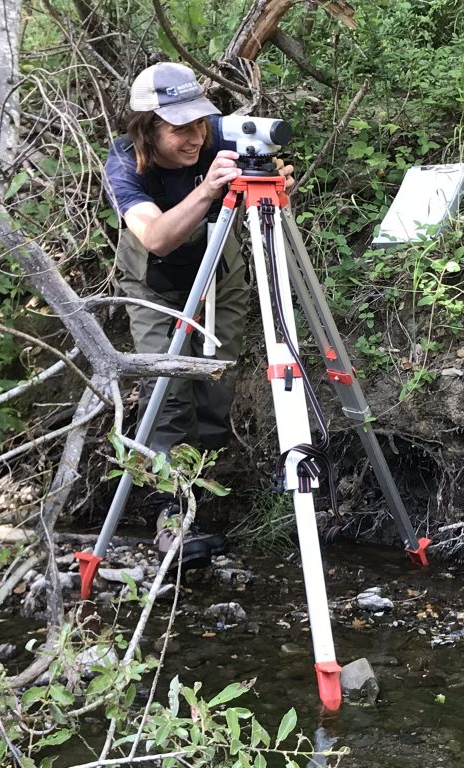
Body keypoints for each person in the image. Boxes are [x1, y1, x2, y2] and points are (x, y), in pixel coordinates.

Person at [103, 61, 294, 568]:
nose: (193, 137)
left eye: (198, 124)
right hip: (154, 283)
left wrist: (272, 186)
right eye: (178, 129)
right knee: (167, 394)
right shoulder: (124, 162)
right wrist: (209, 188)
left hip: (219, 271)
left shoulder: (215, 137)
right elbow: (158, 237)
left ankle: (197, 502)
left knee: (216, 387)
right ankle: (170, 523)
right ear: (147, 129)